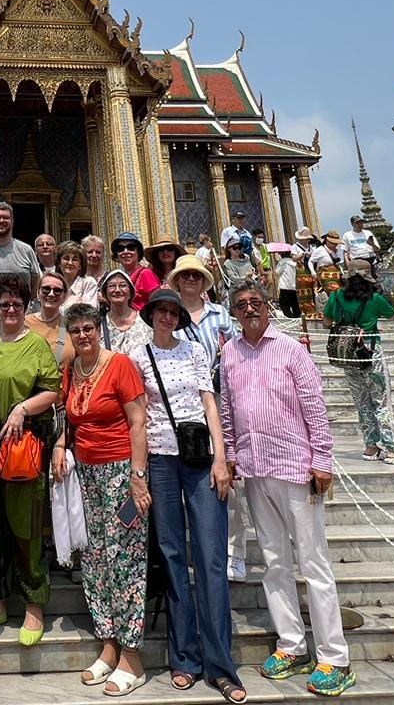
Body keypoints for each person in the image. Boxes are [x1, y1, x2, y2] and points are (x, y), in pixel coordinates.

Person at [219, 283, 354, 697]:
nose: (249, 310)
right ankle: (291, 645)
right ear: (234, 313)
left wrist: (322, 460)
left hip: (296, 467)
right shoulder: (229, 354)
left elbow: (314, 404)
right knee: (275, 562)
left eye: (255, 303)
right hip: (256, 468)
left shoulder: (291, 349)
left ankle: (334, 656)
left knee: (313, 563)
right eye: (241, 306)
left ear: (267, 306)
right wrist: (229, 452)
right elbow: (227, 409)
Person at [130, 288, 240, 701]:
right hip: (160, 460)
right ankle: (184, 657)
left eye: (173, 312)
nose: (167, 318)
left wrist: (221, 459)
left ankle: (221, 664)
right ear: (151, 315)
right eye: (160, 311)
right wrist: (137, 472)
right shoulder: (139, 358)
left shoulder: (194, 351)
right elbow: (138, 417)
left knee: (211, 558)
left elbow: (209, 405)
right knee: (173, 557)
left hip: (199, 459)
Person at [51, 302, 151, 697]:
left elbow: (138, 420)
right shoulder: (72, 370)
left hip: (121, 471)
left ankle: (132, 654)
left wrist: (138, 478)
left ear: (99, 329)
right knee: (94, 558)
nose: (83, 336)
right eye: (75, 331)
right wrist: (60, 444)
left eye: (89, 328)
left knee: (125, 559)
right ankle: (108, 642)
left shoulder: (120, 364)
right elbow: (65, 415)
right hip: (86, 475)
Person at [0, 275, 61, 644]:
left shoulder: (37, 345)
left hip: (24, 449)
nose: (10, 310)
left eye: (17, 305)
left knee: (26, 528)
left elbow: (52, 391)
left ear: (27, 308)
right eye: (5, 304)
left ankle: (33, 604)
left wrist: (21, 408)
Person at [168, 254, 242, 579]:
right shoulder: (169, 317)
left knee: (227, 479)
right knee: (192, 483)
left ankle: (234, 553)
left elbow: (236, 352)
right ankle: (194, 549)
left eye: (196, 277)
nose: (190, 281)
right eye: (185, 276)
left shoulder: (220, 314)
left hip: (220, 399)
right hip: (186, 409)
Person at [324, 263, 394, 464]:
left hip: (347, 353)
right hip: (370, 350)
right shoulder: (374, 299)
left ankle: (371, 446)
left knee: (362, 402)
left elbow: (327, 322)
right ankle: (391, 449)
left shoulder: (336, 296)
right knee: (381, 401)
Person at [21, 270, 75, 367]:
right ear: (38, 292)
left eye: (57, 291)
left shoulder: (70, 325)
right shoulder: (23, 323)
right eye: (46, 289)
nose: (51, 294)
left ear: (64, 296)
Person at [0, 201, 41, 283]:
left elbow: (35, 280)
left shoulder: (26, 250)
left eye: (6, 218)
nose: (1, 220)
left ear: (12, 222)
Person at [98, 267, 149, 357]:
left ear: (131, 292)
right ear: (105, 293)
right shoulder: (99, 324)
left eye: (122, 285)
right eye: (112, 286)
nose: (117, 290)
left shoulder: (145, 320)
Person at [111, 231, 158, 309]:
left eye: (131, 247)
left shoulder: (146, 274)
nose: (125, 252)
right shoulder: (120, 276)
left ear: (138, 252)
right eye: (120, 249)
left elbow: (157, 302)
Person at [59, 239, 100, 306]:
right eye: (66, 258)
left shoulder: (88, 283)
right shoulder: (54, 284)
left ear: (80, 265)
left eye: (75, 260)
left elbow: (88, 313)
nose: (70, 263)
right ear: (59, 263)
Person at [272, 243, 299, 318]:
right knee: (295, 304)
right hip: (293, 286)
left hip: (285, 286)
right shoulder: (294, 262)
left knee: (284, 304)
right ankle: (297, 317)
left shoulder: (282, 261)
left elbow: (277, 272)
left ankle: (290, 318)